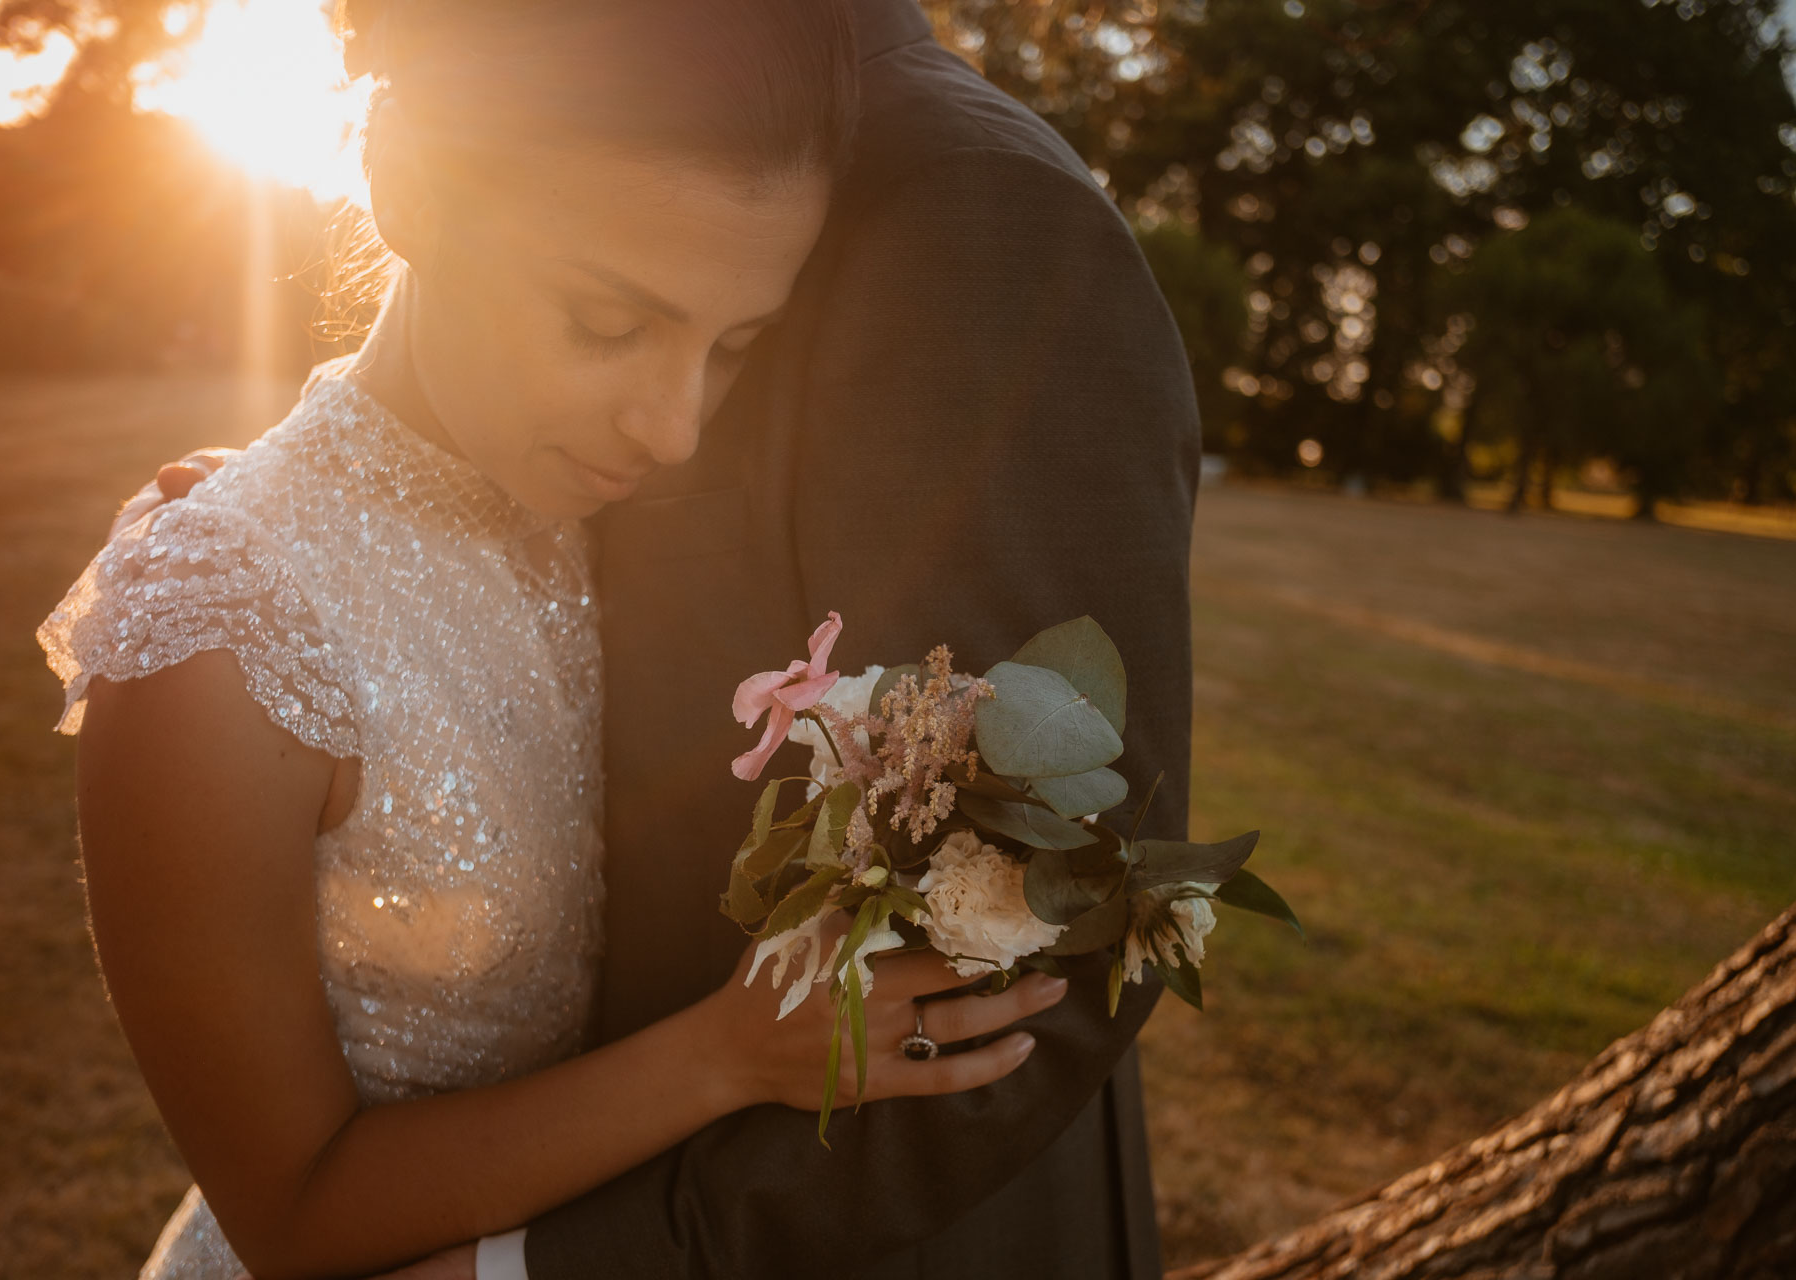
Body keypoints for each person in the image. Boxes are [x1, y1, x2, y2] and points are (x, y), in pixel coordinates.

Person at [122, 1, 1202, 1277]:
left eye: (738, 347)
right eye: (608, 322)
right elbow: (292, 1205)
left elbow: (1067, 876)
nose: (677, 433)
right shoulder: (223, 623)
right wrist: (712, 1054)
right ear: (407, 180)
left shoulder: (564, 486)